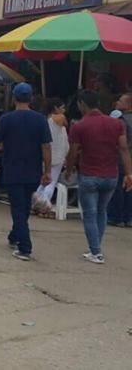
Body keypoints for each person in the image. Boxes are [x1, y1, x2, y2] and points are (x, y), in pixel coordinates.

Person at [64, 89, 132, 264]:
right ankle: (96, 247)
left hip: (89, 174)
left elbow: (72, 152)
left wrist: (69, 169)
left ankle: (96, 251)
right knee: (102, 211)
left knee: (90, 214)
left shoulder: (79, 126)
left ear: (82, 104)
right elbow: (124, 148)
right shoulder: (116, 124)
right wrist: (129, 173)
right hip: (111, 175)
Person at [0, 83, 52, 262]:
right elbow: (46, 147)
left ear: (14, 98)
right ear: (31, 99)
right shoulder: (40, 120)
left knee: (18, 208)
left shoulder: (6, 119)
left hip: (13, 168)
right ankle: (14, 236)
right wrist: (47, 171)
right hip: (33, 170)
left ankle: (25, 247)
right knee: (24, 206)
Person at [32, 98, 69, 217]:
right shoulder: (59, 118)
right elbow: (65, 123)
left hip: (45, 154)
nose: (64, 110)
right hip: (58, 155)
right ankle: (44, 205)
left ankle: (36, 201)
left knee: (44, 180)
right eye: (62, 107)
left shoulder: (42, 120)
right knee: (51, 182)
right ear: (55, 108)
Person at [108, 93, 132, 227]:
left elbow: (121, 143)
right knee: (130, 189)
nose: (117, 102)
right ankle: (129, 217)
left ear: (129, 105)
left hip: (122, 159)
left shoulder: (121, 121)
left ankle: (116, 217)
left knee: (118, 189)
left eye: (121, 101)